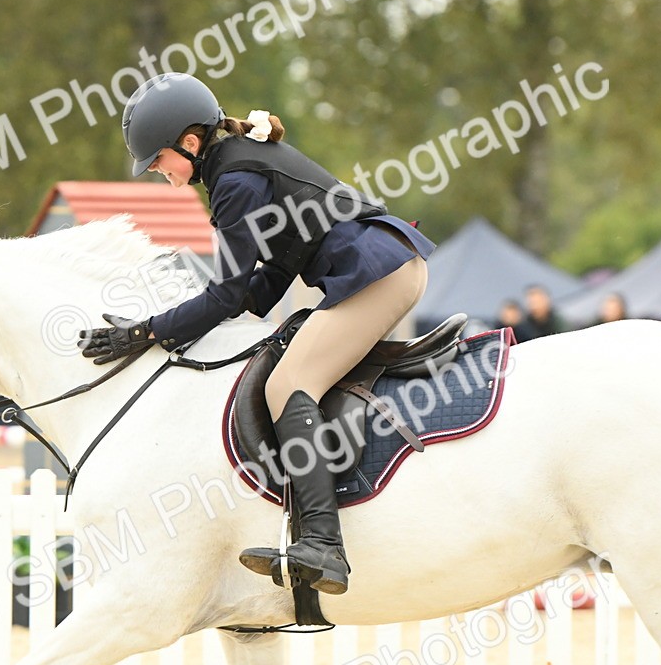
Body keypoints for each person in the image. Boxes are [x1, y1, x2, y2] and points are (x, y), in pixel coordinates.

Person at [77, 73, 434, 594]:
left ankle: (322, 546)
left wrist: (148, 332)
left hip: (375, 275)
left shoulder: (233, 182)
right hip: (385, 265)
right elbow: (268, 277)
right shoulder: (240, 162)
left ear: (190, 142)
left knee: (286, 387)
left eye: (158, 159)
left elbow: (225, 295)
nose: (157, 172)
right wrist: (178, 318)